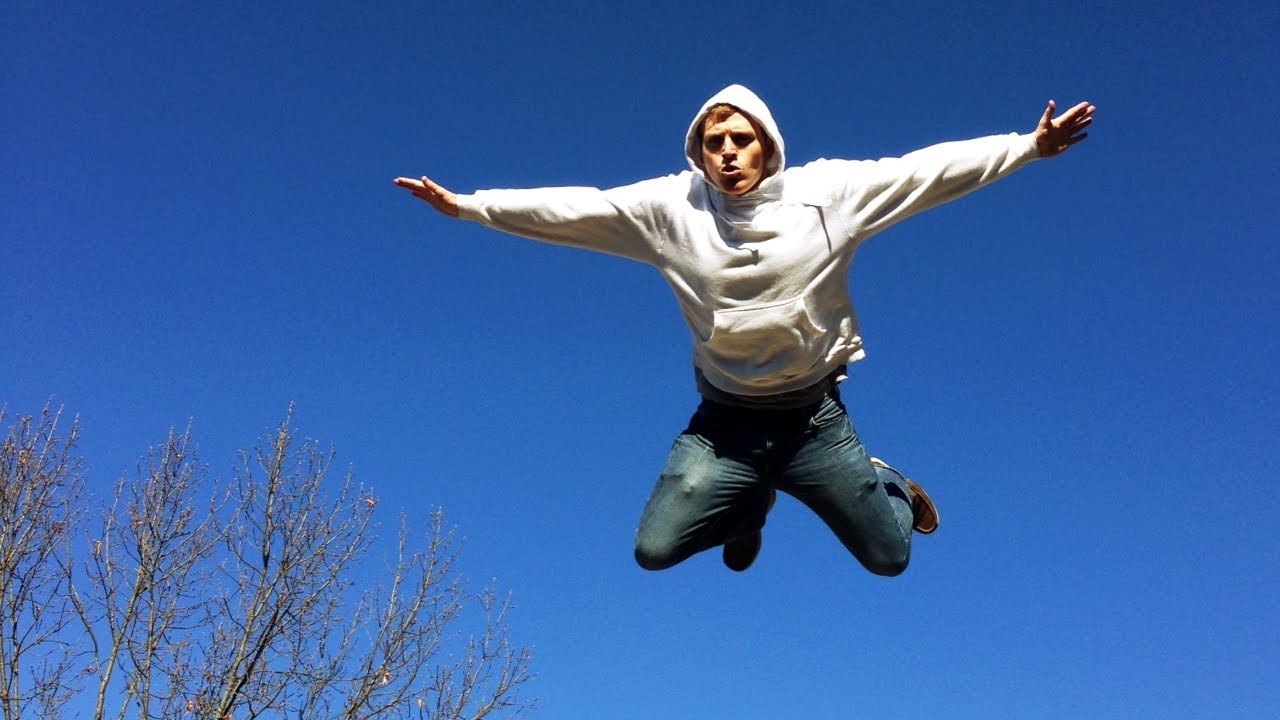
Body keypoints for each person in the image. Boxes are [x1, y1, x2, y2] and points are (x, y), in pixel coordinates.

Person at [395, 84, 1093, 575]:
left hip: (814, 423)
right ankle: (748, 504)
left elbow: (923, 174)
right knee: (653, 551)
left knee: (890, 558)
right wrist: (471, 206)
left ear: (767, 146)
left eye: (740, 140)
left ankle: (890, 486)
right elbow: (579, 210)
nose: (727, 153)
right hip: (724, 425)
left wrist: (1028, 147)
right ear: (699, 155)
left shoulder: (828, 195)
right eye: (713, 143)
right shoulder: (670, 208)